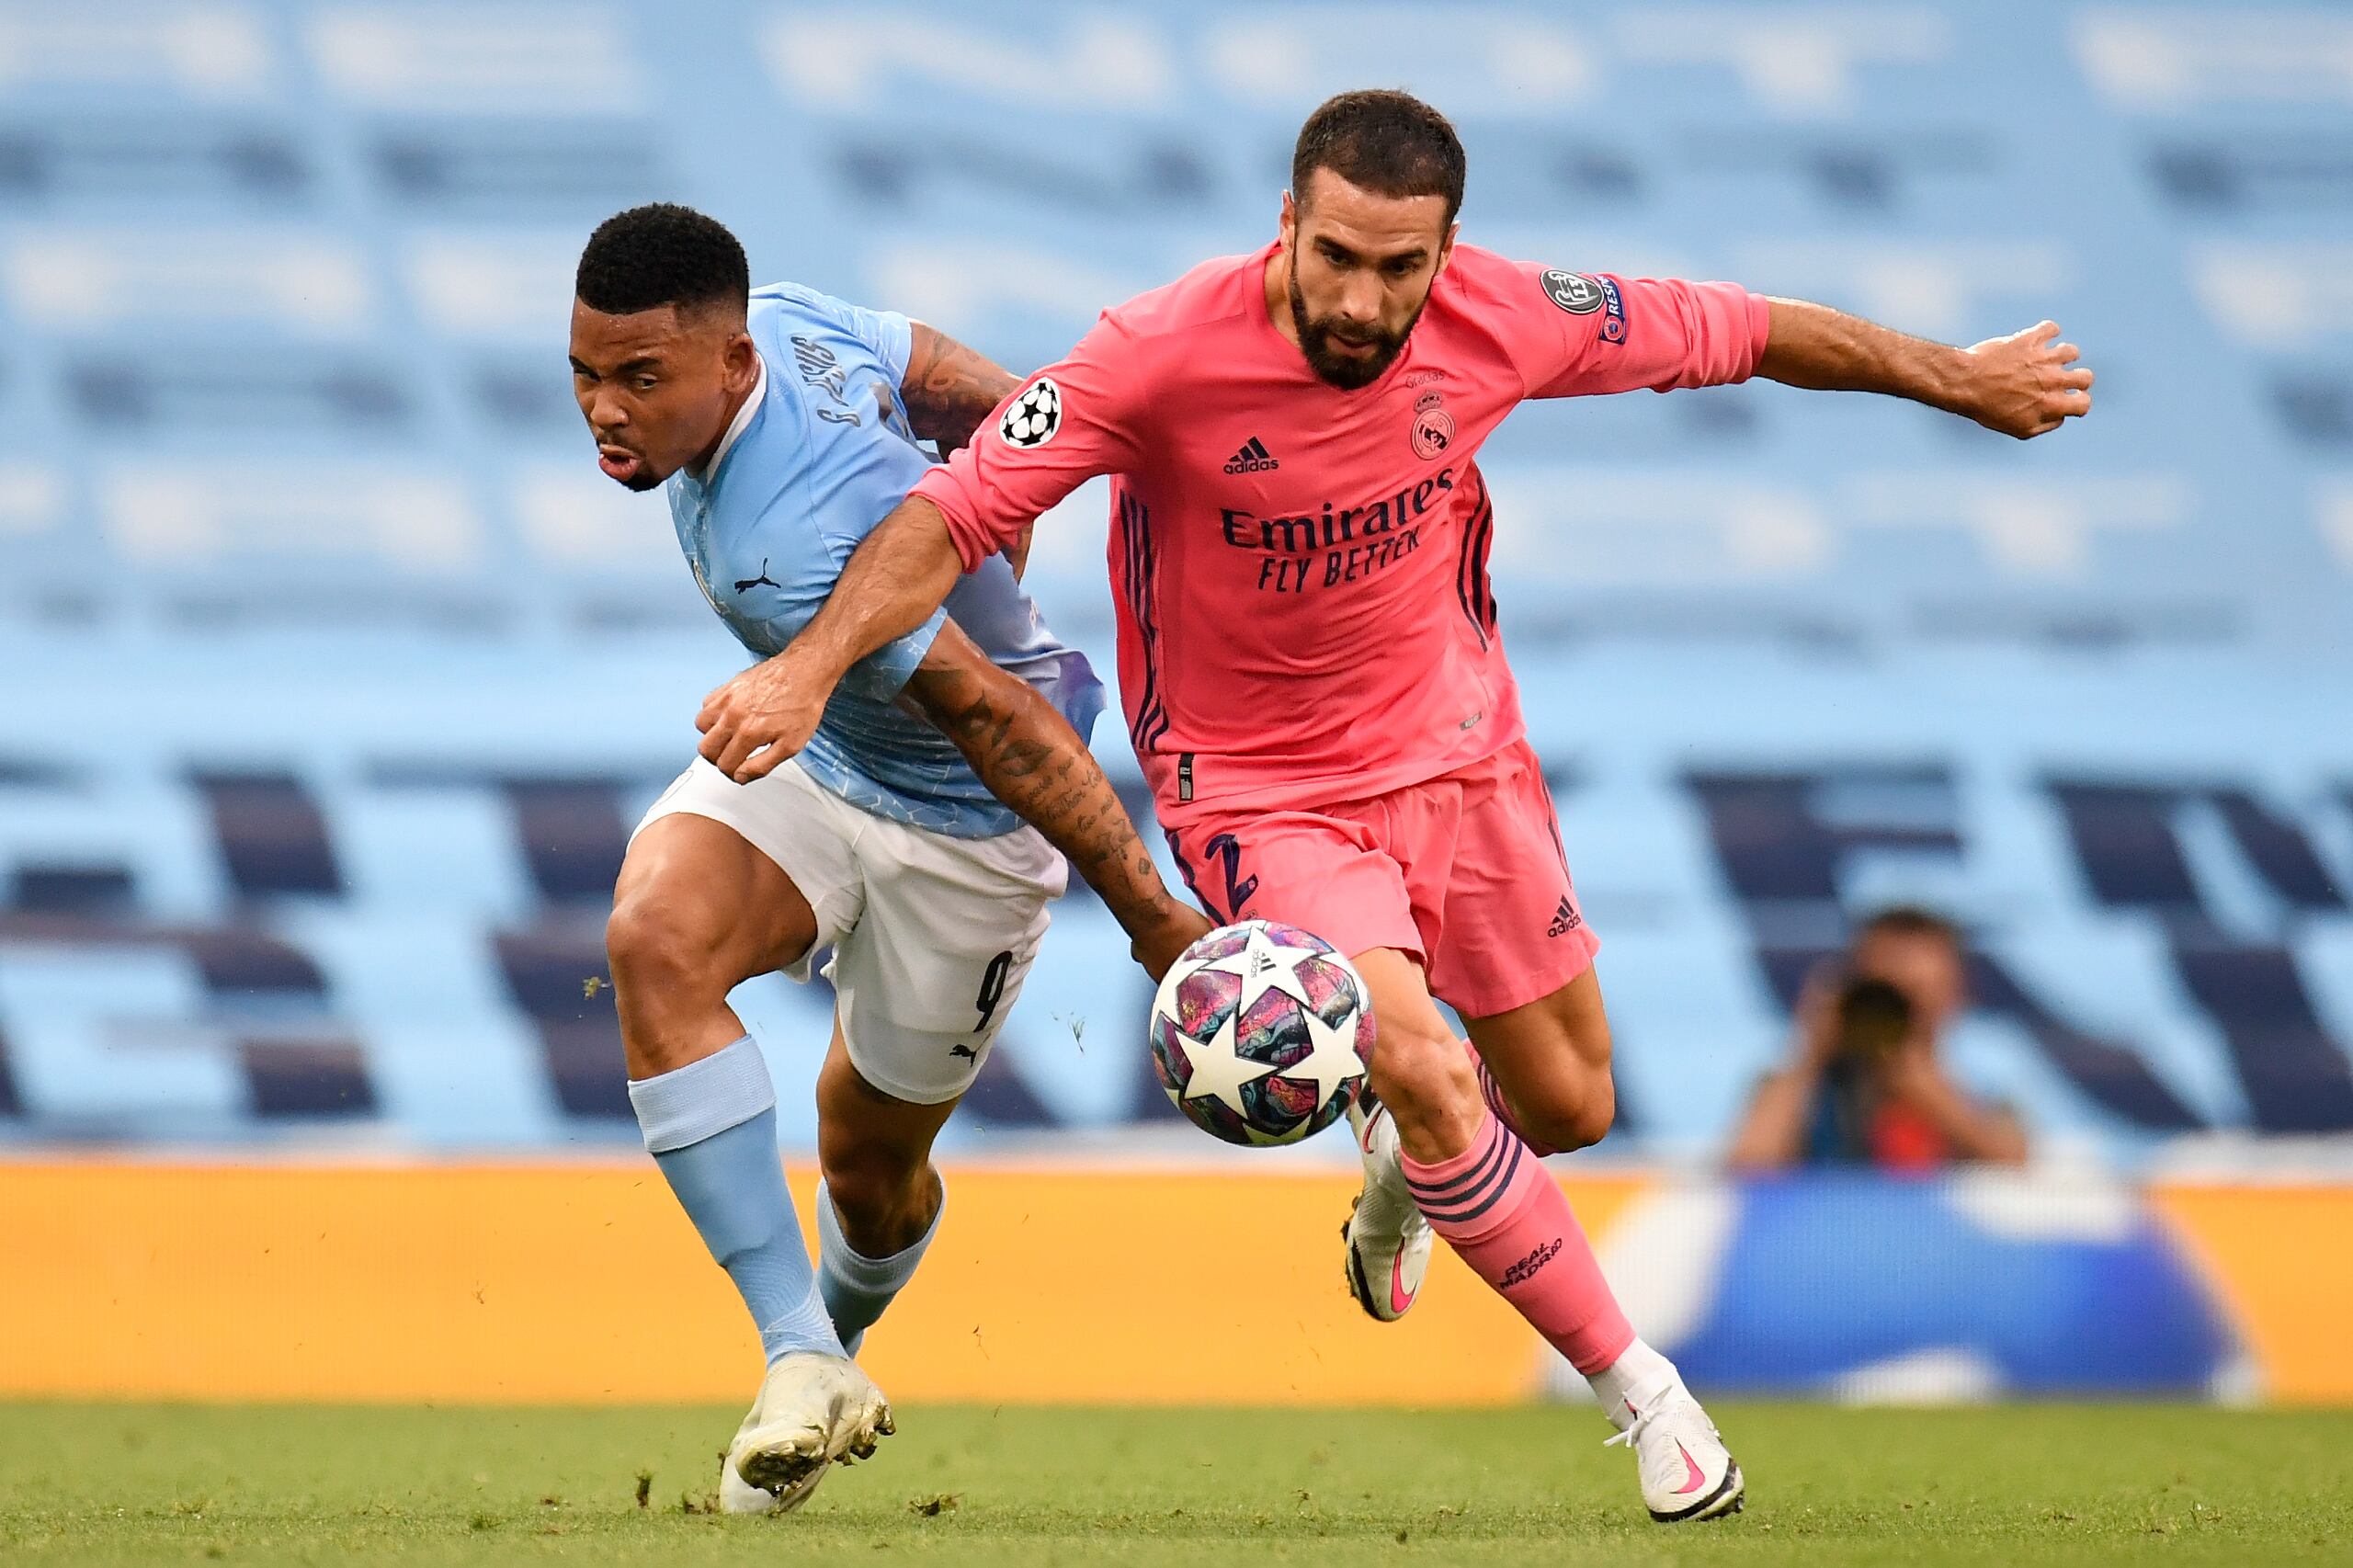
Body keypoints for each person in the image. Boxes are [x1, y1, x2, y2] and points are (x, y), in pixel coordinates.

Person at [684, 91, 2094, 1524]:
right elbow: (946, 517)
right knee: (1422, 1056)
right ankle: (1652, 1404)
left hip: (1462, 751)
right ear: (1287, 223)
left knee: (1567, 1102)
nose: (1363, 299)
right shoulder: (1155, 352)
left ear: (1446, 252)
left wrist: (1956, 380)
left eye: (1398, 268)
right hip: (1257, 784)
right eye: (1338, 255)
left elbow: (1740, 327)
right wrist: (808, 668)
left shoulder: (1508, 316)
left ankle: (1405, 1174)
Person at [568, 204, 1209, 1515]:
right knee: (654, 937)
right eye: (584, 372)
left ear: (729, 366)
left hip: (968, 830)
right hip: (816, 754)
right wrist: (1005, 457)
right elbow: (930, 366)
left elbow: (1003, 728)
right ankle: (797, 1352)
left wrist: (1156, 928)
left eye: (641, 379)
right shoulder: (790, 319)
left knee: (866, 1163)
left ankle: (835, 1348)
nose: (605, 410)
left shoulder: (792, 537)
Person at [1727, 907, 2029, 1171]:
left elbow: (2021, 1171)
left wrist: (1933, 1096)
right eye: (1886, 994)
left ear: (1955, 997)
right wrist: (1811, 1051)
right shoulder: (1810, 1095)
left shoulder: (1983, 1094)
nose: (1903, 1013)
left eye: (1921, 992)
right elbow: (1748, 1167)